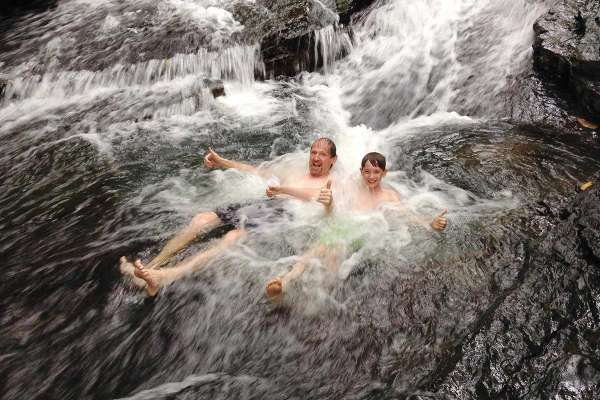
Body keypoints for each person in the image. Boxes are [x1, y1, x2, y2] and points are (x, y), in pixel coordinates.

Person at [119, 137, 338, 296]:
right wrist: (222, 161)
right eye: (313, 152)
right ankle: (152, 266)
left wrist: (287, 191)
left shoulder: (330, 184)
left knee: (232, 238)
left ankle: (165, 277)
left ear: (332, 160)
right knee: (201, 220)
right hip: (264, 204)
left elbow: (319, 202)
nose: (316, 157)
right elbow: (257, 172)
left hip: (285, 214)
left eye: (322, 154)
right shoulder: (294, 170)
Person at [265, 151, 448, 301]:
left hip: (362, 235)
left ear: (384, 173)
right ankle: (285, 282)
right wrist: (282, 190)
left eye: (376, 172)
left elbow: (407, 216)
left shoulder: (390, 197)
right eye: (367, 172)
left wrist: (430, 223)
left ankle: (317, 299)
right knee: (316, 249)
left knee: (334, 252)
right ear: (361, 172)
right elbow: (313, 194)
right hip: (342, 227)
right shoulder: (352, 188)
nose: (371, 176)